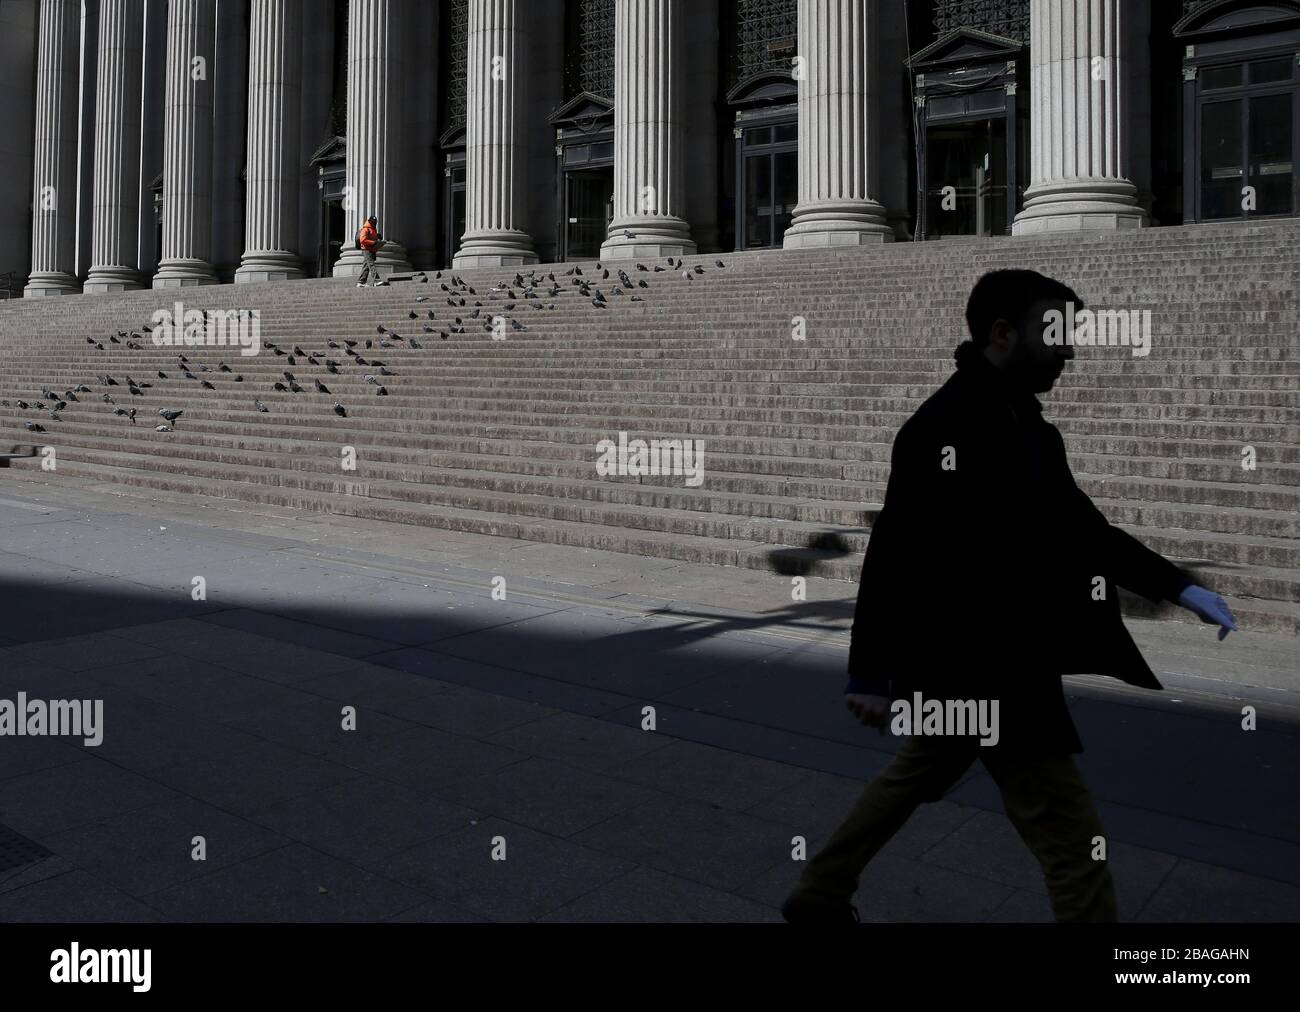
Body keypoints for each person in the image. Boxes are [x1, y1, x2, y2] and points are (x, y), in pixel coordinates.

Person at [782, 269, 1237, 924]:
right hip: (996, 674)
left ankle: (822, 890)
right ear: (1002, 333)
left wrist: (1180, 584)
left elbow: (1085, 532)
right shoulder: (945, 424)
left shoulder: (1028, 427)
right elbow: (895, 550)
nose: (1069, 349)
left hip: (978, 668)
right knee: (1072, 842)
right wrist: (870, 671)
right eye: (1055, 332)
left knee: (919, 772)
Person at [356, 215, 385, 287]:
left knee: (366, 266)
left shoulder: (373, 229)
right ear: (369, 221)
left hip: (371, 249)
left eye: (375, 222)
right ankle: (377, 281)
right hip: (366, 250)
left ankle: (361, 282)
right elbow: (362, 240)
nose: (374, 223)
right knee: (371, 265)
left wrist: (377, 237)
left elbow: (372, 237)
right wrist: (373, 242)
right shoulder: (365, 229)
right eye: (373, 222)